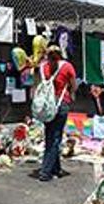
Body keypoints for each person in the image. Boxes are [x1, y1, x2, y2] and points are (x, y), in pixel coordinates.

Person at [33, 44, 77, 182]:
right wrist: (70, 95)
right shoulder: (67, 67)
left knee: (49, 136)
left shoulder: (42, 67)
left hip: (47, 105)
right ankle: (45, 172)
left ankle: (56, 168)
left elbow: (37, 84)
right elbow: (73, 86)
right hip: (60, 104)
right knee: (55, 138)